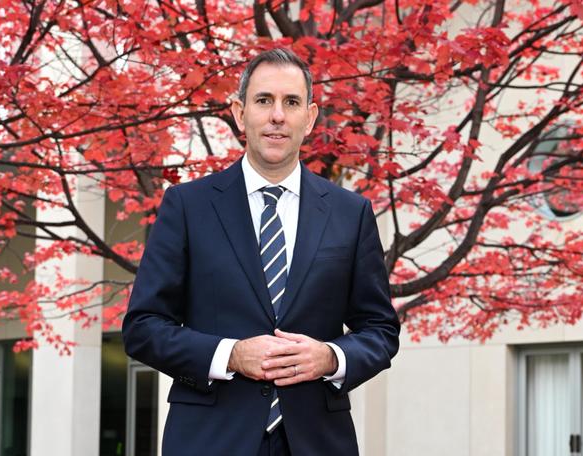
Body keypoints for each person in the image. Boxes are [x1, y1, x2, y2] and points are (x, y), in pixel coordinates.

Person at [122, 48, 400, 456]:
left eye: (291, 102)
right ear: (239, 112)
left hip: (317, 440)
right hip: (209, 440)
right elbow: (143, 326)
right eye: (264, 100)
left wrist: (330, 357)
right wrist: (230, 355)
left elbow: (380, 330)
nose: (277, 116)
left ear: (310, 117)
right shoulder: (187, 206)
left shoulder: (350, 213)